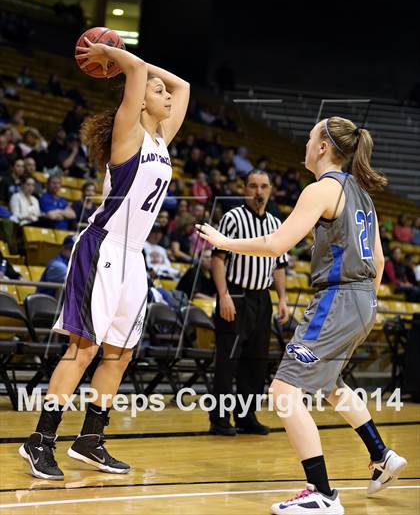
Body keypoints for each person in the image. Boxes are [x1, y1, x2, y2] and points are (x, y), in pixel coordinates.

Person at [197, 117, 407, 514]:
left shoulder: (321, 189)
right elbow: (378, 260)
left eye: (311, 138)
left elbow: (276, 242)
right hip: (363, 300)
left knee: (283, 391)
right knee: (330, 384)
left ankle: (322, 493)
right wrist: (363, 305)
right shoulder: (362, 192)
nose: (306, 145)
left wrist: (225, 242)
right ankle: (382, 455)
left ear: (324, 146)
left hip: (339, 299)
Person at [19, 37, 189, 480]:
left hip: (134, 258)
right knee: (84, 349)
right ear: (137, 100)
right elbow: (134, 72)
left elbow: (185, 85)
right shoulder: (128, 131)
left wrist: (152, 74)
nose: (167, 96)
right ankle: (40, 440)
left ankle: (90, 439)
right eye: (158, 92)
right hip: (104, 246)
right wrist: (118, 58)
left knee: (121, 353)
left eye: (163, 92)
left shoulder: (161, 136)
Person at [209, 169, 289, 437]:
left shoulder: (276, 225)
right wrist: (223, 295)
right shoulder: (232, 218)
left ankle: (246, 417)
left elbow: (279, 266)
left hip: (262, 298)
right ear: (244, 189)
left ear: (270, 190)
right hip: (235, 295)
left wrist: (283, 300)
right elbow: (218, 259)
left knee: (256, 361)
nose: (258, 192)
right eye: (253, 186)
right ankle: (219, 420)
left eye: (264, 186)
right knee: (227, 361)